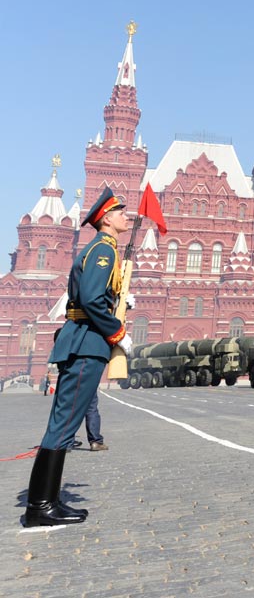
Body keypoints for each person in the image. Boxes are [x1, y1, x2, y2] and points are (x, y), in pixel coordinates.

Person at [23, 187, 132, 527]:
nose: (126, 216)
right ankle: (40, 506)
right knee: (65, 423)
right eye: (121, 212)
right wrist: (117, 331)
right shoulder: (103, 250)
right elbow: (91, 299)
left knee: (64, 423)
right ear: (107, 219)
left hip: (85, 340)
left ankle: (47, 501)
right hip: (87, 343)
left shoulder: (103, 248)